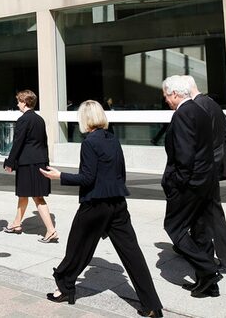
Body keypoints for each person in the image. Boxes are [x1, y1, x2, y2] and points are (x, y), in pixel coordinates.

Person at [41, 101, 162, 315]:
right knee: (132, 254)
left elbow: (87, 178)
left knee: (77, 248)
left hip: (95, 204)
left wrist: (59, 175)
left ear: (85, 119)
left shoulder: (89, 143)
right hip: (118, 203)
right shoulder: (112, 138)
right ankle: (152, 305)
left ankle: (65, 286)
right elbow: (121, 173)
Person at [160, 75, 220, 298]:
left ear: (175, 94)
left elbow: (185, 155)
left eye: (166, 95)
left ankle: (208, 270)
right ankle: (207, 284)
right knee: (200, 229)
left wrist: (177, 183)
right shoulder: (200, 110)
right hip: (206, 181)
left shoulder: (183, 114)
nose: (166, 100)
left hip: (190, 184)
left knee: (173, 227)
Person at [186, 77, 226, 276]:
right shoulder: (211, 103)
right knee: (204, 212)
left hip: (205, 169)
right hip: (214, 166)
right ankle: (197, 249)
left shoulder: (196, 107)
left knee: (212, 214)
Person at [3, 90, 57, 242]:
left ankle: (51, 230)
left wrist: (10, 163)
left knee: (37, 198)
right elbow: (43, 143)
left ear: (25, 102)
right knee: (24, 195)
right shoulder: (39, 119)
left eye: (19, 101)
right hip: (39, 161)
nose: (17, 104)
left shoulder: (23, 120)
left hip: (28, 164)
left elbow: (18, 143)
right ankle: (16, 223)